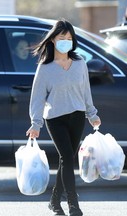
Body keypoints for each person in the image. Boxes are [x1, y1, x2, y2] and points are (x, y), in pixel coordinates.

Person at [26, 18, 101, 216]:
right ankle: (73, 205)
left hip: (76, 116)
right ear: (52, 41)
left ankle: (53, 201)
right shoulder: (45, 68)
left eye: (69, 38)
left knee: (65, 160)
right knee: (67, 157)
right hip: (55, 118)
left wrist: (92, 114)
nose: (66, 41)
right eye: (62, 38)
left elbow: (86, 92)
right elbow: (37, 98)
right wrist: (36, 124)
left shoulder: (79, 63)